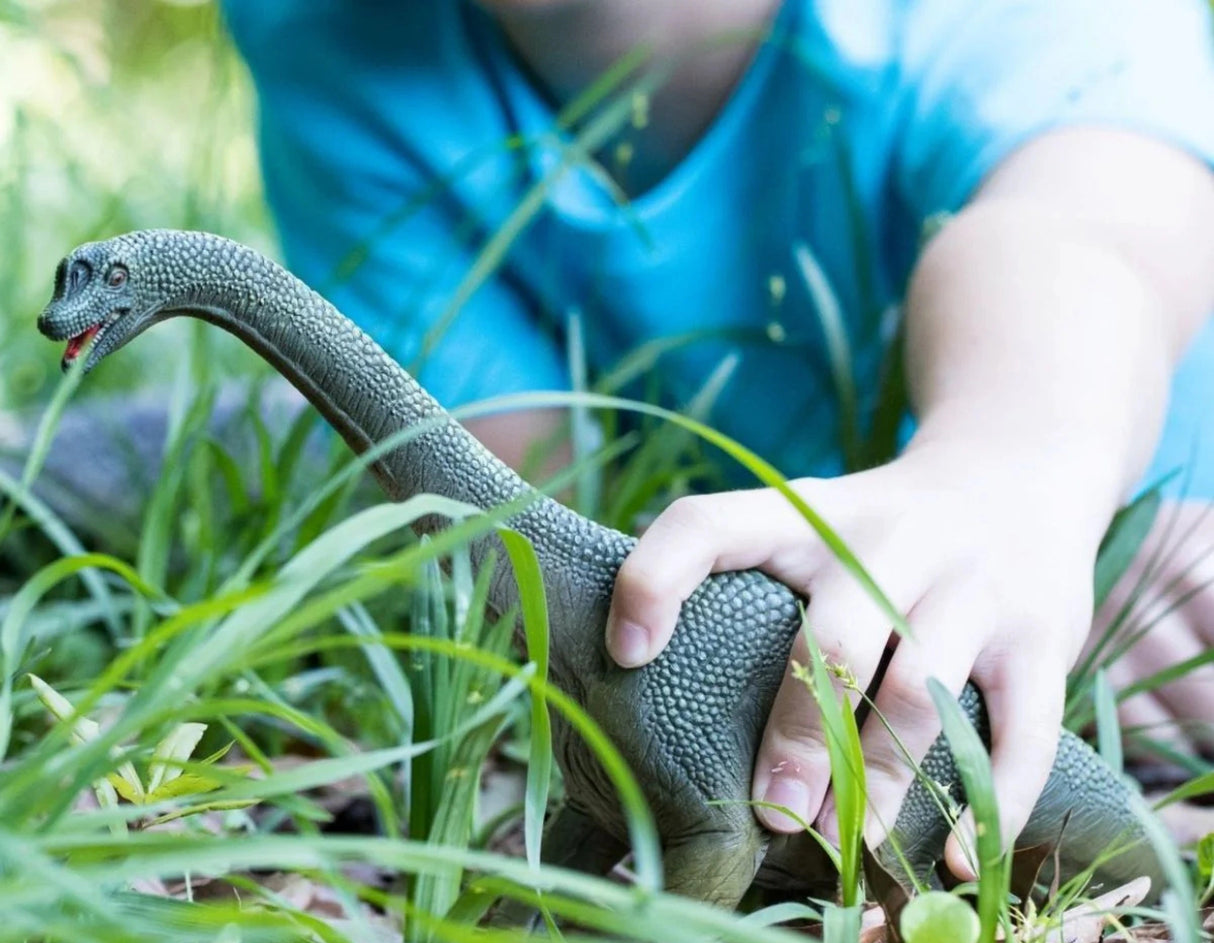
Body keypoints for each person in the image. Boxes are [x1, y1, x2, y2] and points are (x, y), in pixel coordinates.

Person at [221, 0, 1214, 878]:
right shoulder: (331, 32)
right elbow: (517, 499)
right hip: (761, 612)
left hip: (1128, 542)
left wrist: (1018, 481)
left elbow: (1089, 218)